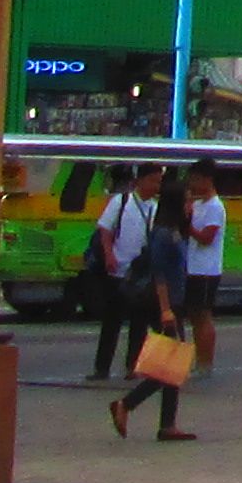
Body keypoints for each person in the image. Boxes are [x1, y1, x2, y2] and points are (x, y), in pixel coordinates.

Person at [110, 200, 197, 443]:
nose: (190, 205)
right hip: (163, 306)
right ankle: (126, 404)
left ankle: (167, 424)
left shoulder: (176, 232)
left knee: (173, 363)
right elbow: (159, 273)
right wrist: (166, 309)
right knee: (172, 363)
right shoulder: (163, 234)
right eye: (186, 200)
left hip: (174, 303)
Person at [85, 163, 158, 386]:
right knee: (111, 321)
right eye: (154, 180)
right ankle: (102, 367)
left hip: (140, 275)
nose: (156, 186)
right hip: (116, 272)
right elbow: (105, 229)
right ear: (141, 181)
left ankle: (133, 366)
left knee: (139, 322)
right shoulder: (122, 202)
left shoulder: (156, 207)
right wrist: (109, 255)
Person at [176, 158, 230, 371]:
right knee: (194, 315)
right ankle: (199, 358)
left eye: (196, 179)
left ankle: (205, 361)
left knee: (203, 316)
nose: (193, 184)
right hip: (191, 267)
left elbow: (207, 237)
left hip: (206, 269)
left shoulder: (215, 207)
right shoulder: (197, 204)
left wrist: (186, 225)